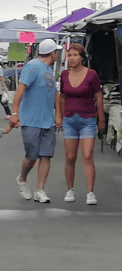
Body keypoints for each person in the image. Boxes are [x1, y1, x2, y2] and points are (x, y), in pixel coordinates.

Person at [10, 39, 62, 203]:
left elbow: (54, 94)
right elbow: (20, 89)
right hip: (31, 120)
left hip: (48, 120)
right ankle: (22, 178)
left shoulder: (49, 70)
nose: (57, 55)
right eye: (56, 52)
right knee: (32, 156)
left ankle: (40, 190)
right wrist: (14, 112)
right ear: (52, 53)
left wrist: (58, 114)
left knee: (46, 155)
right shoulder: (32, 66)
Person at [56, 43, 105, 205]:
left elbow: (98, 97)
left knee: (87, 155)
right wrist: (59, 116)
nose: (71, 58)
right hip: (69, 119)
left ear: (82, 58)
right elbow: (62, 97)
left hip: (88, 119)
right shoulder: (64, 75)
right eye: (69, 55)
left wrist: (101, 119)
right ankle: (70, 189)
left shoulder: (91, 75)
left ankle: (90, 192)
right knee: (70, 157)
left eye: (74, 55)